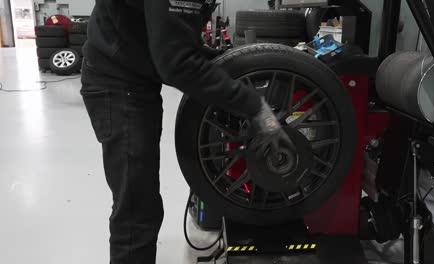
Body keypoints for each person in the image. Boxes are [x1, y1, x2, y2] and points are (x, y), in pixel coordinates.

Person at [80, 0, 293, 263]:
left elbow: (169, 34)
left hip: (135, 72)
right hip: (116, 81)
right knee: (136, 208)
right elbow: (176, 64)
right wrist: (255, 107)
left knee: (140, 203)